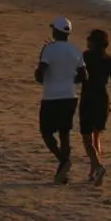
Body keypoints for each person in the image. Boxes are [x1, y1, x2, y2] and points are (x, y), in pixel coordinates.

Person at [34, 17, 85, 183]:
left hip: (51, 96)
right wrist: (69, 81)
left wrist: (42, 65)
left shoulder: (49, 50)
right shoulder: (75, 50)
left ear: (55, 31)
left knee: (46, 132)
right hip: (70, 96)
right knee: (65, 133)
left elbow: (40, 74)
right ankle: (63, 171)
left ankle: (63, 160)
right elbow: (84, 76)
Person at [78, 28, 111, 185]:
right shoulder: (110, 60)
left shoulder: (85, 56)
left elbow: (78, 76)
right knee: (96, 136)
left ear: (93, 42)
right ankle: (93, 172)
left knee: (86, 138)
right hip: (103, 100)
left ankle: (98, 167)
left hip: (88, 100)